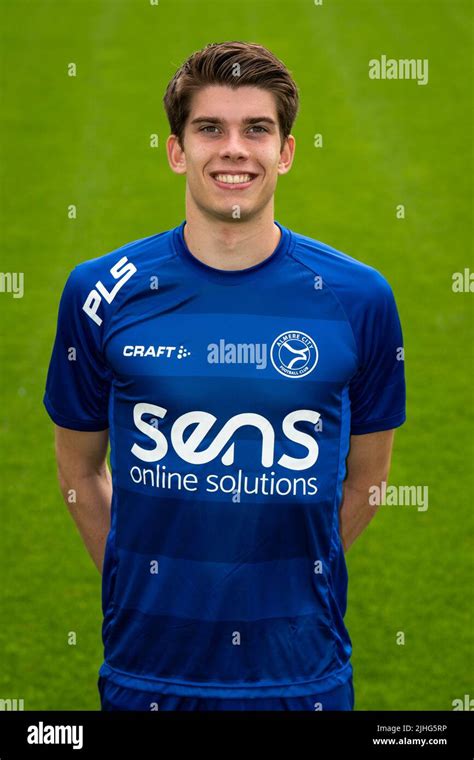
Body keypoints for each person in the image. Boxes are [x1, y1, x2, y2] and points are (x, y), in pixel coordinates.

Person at [43, 41, 406, 712]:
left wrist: (283, 585)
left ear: (286, 152)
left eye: (257, 129)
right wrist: (137, 584)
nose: (234, 149)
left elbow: (368, 480)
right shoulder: (99, 292)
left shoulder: (359, 298)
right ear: (177, 150)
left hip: (303, 676)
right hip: (146, 673)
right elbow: (79, 472)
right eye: (210, 128)